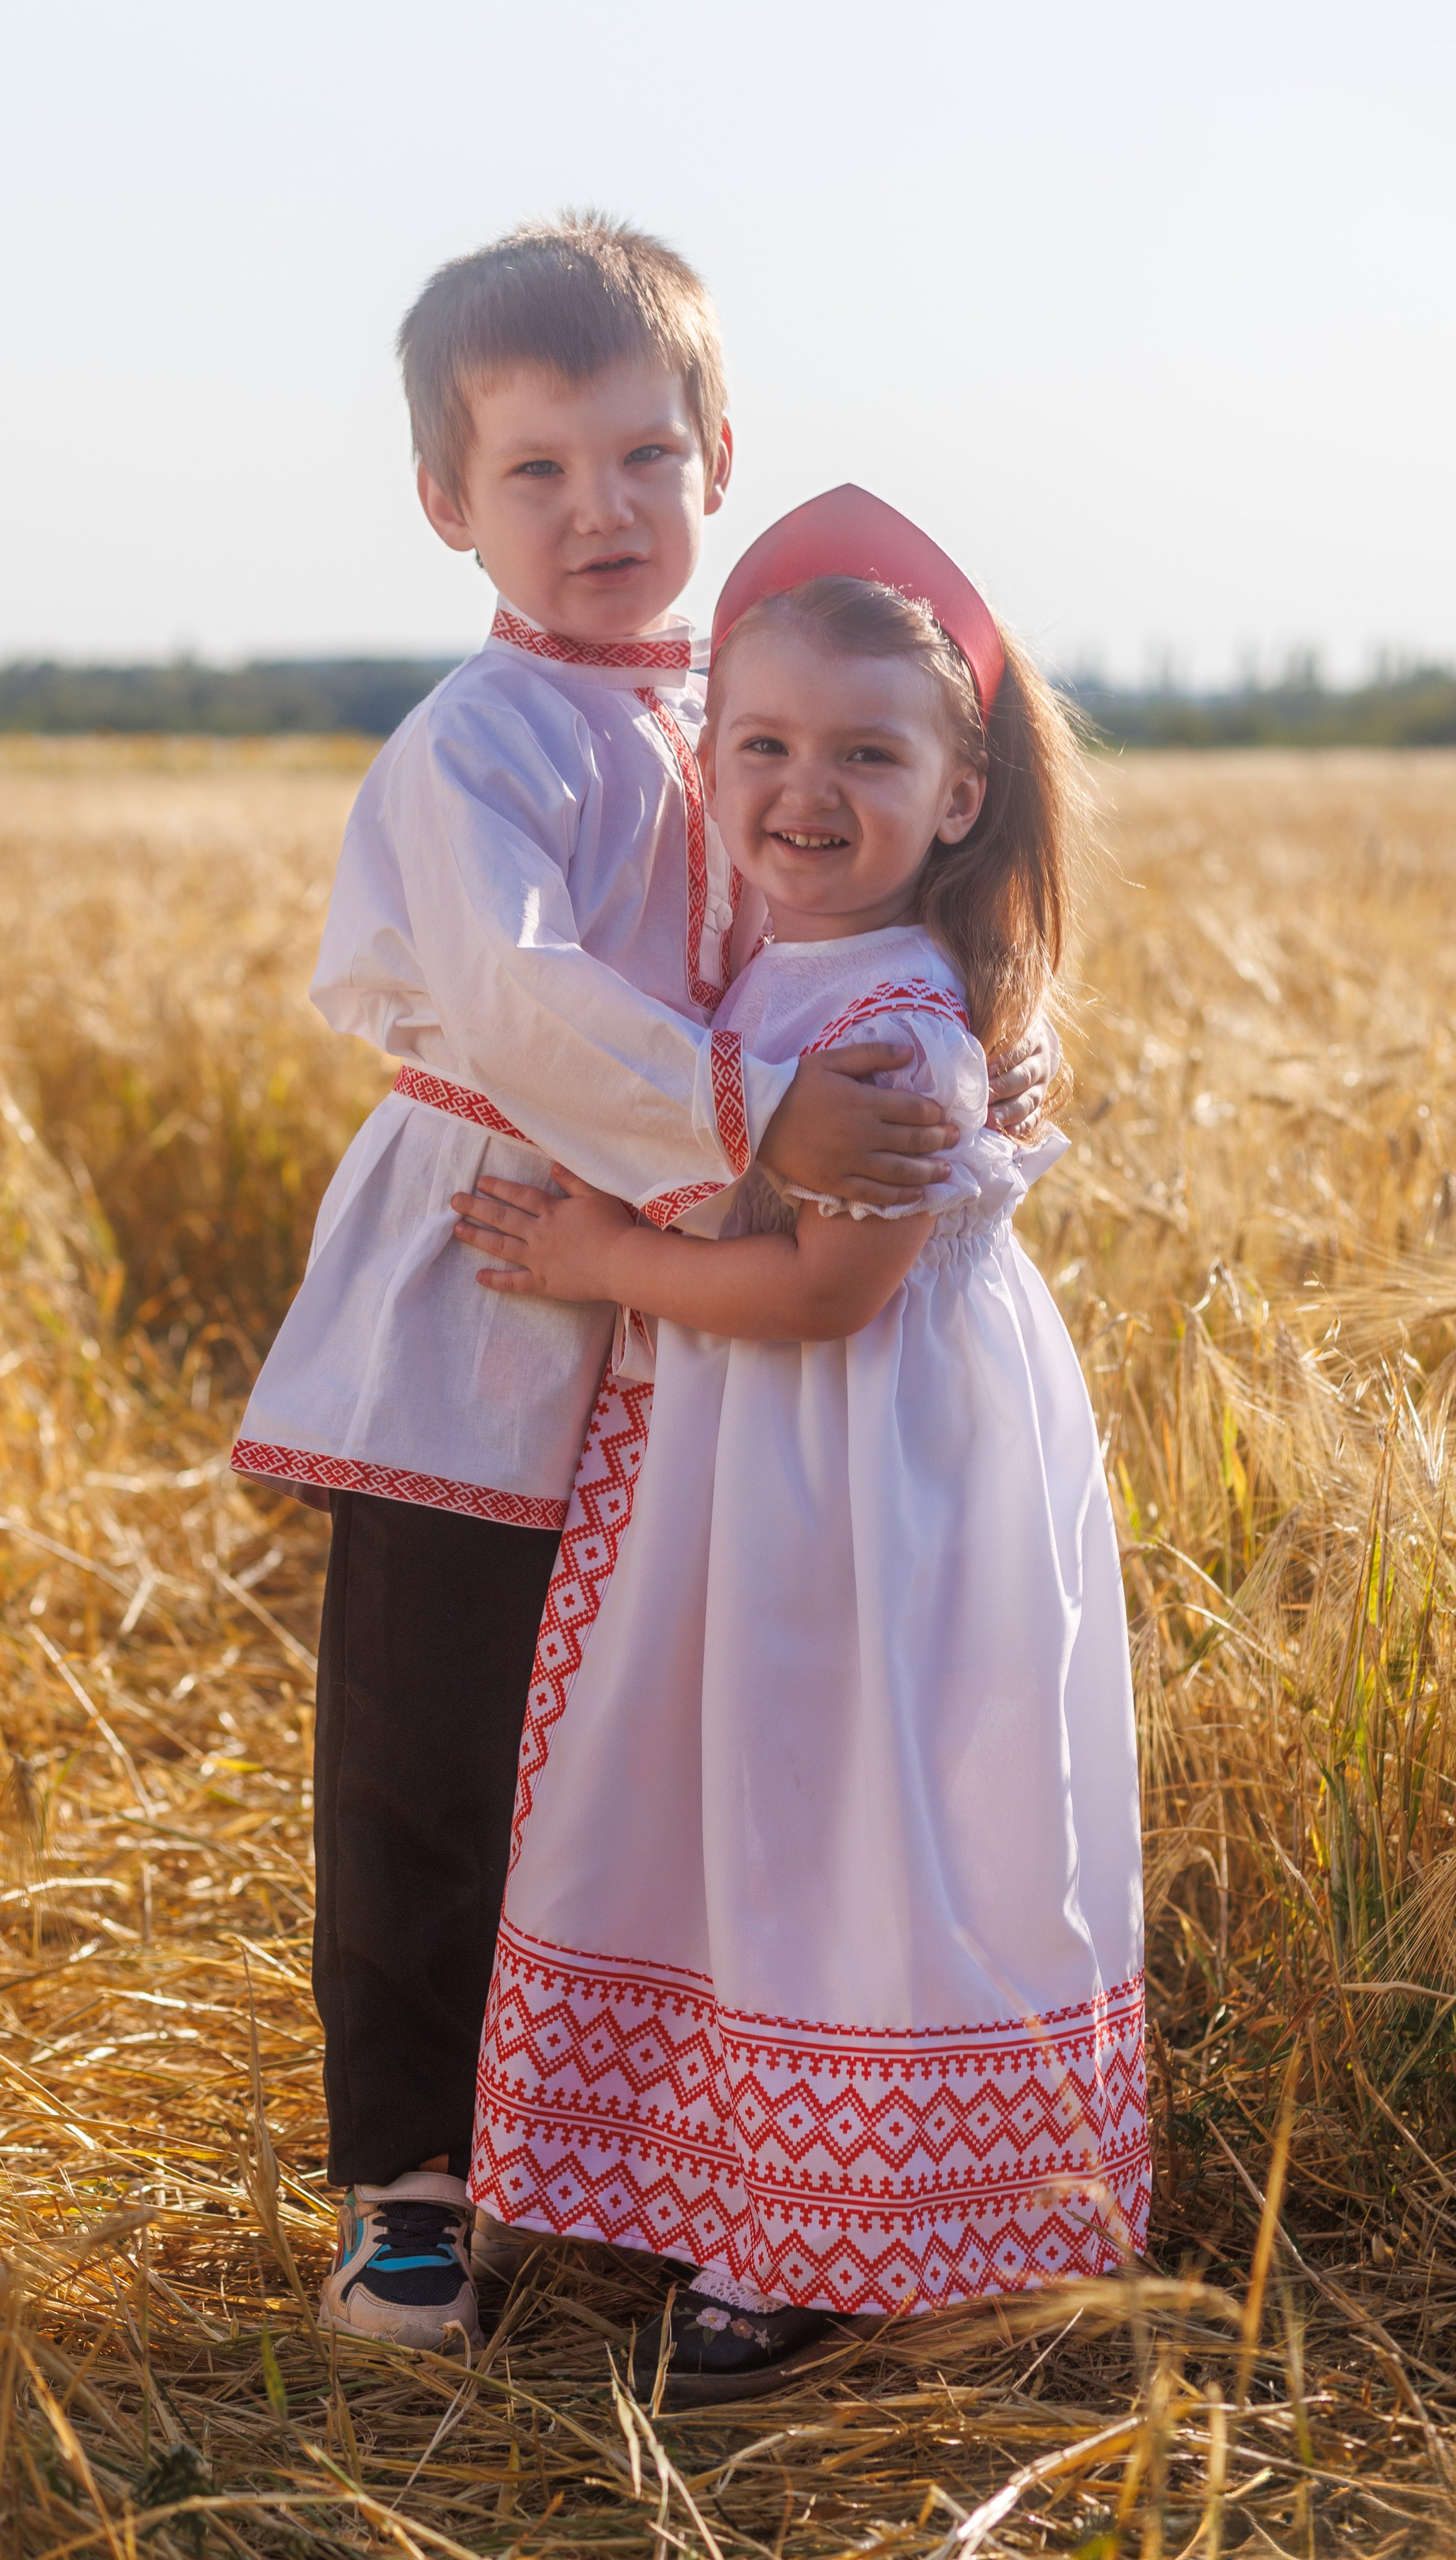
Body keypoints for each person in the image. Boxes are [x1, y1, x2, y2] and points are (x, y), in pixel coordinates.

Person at [231, 220, 1060, 2351]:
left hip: (665, 1330)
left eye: (638, 459)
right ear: (448, 505)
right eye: (535, 473)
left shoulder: (736, 713)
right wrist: (762, 1127)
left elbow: (848, 904)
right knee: (423, 1747)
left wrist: (968, 1047)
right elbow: (515, 1003)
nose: (597, 511)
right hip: (488, 1281)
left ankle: (606, 2143)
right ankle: (409, 2189)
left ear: (714, 460)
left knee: (595, 1747)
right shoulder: (484, 738)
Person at [455, 487, 1147, 2403]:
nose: (801, 789)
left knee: (832, 1809)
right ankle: (710, 2172)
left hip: (858, 1492)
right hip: (751, 1477)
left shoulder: (901, 1039)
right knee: (719, 1793)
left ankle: (810, 2232)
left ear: (957, 799)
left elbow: (834, 1300)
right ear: (707, 763)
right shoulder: (761, 985)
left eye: (866, 754)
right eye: (758, 746)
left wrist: (600, 1253)